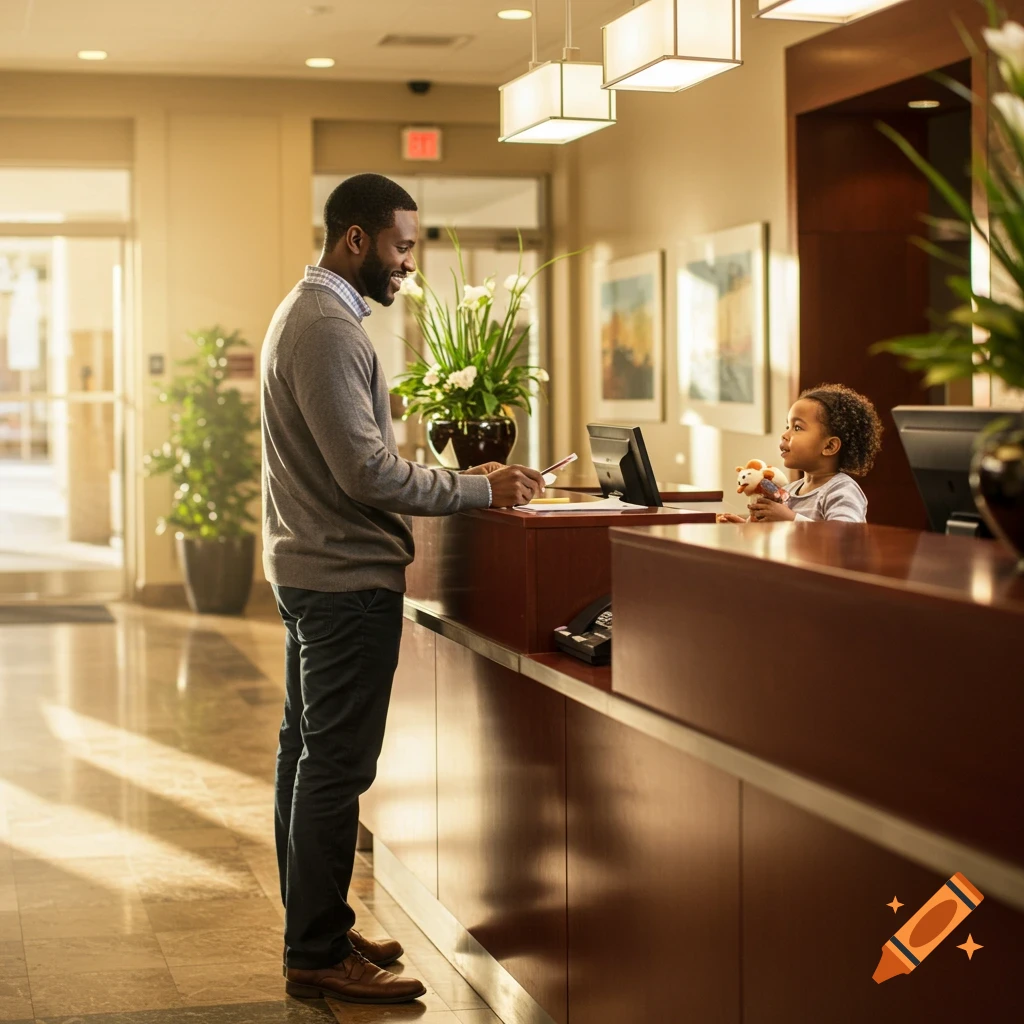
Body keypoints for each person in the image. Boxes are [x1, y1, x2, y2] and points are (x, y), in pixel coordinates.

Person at [261, 173, 545, 1005]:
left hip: (315, 572)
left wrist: (464, 481)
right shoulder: (326, 326)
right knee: (333, 767)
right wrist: (478, 489)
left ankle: (314, 920)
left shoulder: (312, 314)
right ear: (355, 239)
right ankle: (314, 946)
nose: (406, 265)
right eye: (401, 246)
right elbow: (364, 470)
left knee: (306, 757)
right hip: (342, 582)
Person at [718, 383, 882, 524]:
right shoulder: (788, 491)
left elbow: (845, 535)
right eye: (787, 426)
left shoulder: (842, 491)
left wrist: (790, 519)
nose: (785, 434)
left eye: (797, 428)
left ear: (830, 446)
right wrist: (747, 528)